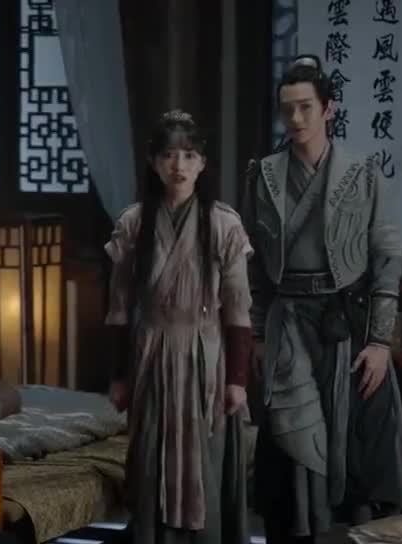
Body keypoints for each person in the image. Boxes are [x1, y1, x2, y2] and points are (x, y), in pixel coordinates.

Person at [245, 54, 402, 542]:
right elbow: (253, 264)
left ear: (328, 108)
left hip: (346, 321)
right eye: (287, 109)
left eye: (305, 107)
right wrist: (257, 333)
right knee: (289, 436)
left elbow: (386, 259)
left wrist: (380, 342)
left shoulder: (362, 174)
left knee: (355, 436)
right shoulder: (263, 175)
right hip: (286, 322)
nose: (296, 118)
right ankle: (295, 529)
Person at [105, 110, 253, 544]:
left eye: (189, 155)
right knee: (150, 455)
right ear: (154, 162)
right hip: (151, 350)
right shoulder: (134, 223)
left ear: (203, 163)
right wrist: (119, 375)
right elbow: (118, 308)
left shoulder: (223, 223)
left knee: (205, 455)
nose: (179, 166)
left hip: (205, 353)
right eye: (169, 155)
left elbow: (238, 309)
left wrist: (237, 379)